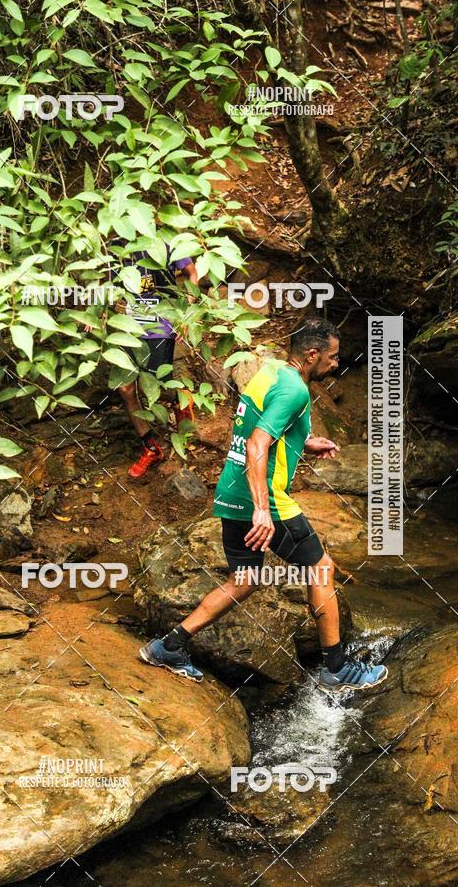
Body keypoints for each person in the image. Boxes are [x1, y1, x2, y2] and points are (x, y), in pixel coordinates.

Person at [139, 318, 388, 693]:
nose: (336, 364)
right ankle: (336, 669)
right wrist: (262, 509)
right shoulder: (295, 390)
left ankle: (168, 647)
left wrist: (304, 442)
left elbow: (258, 428)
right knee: (320, 569)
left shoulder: (269, 373)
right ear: (312, 354)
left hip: (231, 492)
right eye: (333, 357)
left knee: (244, 580)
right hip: (265, 499)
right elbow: (257, 444)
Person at [119, 247, 199, 478]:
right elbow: (110, 283)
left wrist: (185, 314)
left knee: (157, 387)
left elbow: (192, 273)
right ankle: (151, 448)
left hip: (159, 326)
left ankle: (180, 398)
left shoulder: (167, 244)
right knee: (125, 389)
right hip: (129, 326)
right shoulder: (119, 245)